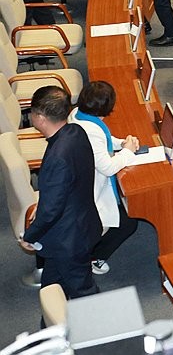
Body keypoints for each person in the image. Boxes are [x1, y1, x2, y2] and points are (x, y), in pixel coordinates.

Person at [18, 87, 101, 299]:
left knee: (84, 293)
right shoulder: (76, 132)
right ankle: (52, 328)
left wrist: (30, 235)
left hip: (69, 240)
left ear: (41, 118)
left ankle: (103, 329)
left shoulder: (57, 157)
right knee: (51, 290)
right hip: (81, 224)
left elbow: (51, 211)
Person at [70, 82, 138, 276]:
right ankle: (93, 258)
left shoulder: (79, 115)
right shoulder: (90, 129)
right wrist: (127, 152)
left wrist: (122, 143)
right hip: (89, 193)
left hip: (83, 182)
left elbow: (103, 141)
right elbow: (107, 167)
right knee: (128, 223)